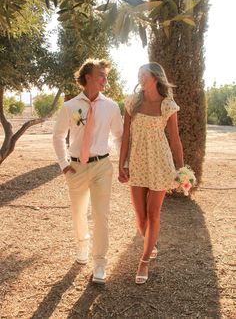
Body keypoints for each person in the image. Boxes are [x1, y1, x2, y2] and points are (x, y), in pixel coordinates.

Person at [53, 58, 123, 284]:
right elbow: (57, 136)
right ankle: (82, 246)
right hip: (76, 167)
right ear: (88, 77)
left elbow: (119, 136)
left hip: (102, 166)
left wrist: (124, 164)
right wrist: (64, 164)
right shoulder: (70, 107)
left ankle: (100, 262)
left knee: (101, 215)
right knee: (78, 212)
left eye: (106, 75)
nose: (105, 79)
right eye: (101, 75)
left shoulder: (112, 107)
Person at [119, 62, 184, 284]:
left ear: (155, 77)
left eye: (143, 74)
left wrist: (181, 169)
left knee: (153, 213)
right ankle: (150, 242)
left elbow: (175, 139)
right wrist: (122, 164)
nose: (139, 78)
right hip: (137, 163)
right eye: (138, 74)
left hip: (160, 164)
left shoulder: (168, 105)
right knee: (140, 215)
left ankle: (144, 260)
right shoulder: (132, 102)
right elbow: (125, 135)